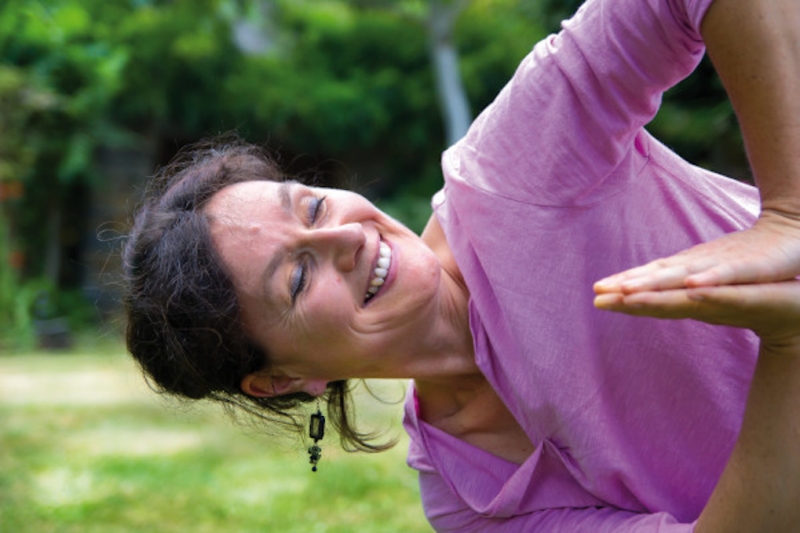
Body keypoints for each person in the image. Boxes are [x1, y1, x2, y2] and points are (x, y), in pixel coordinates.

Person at [122, 0, 800, 530]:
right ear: (280, 378)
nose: (345, 238)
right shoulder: (468, 498)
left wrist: (789, 215)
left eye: (313, 207)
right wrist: (788, 342)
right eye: (297, 278)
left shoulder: (509, 172)